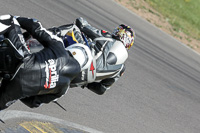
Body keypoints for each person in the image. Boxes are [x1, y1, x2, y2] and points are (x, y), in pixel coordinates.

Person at [0, 15, 91, 110]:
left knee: (9, 20)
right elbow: (33, 103)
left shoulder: (60, 47)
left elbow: (36, 26)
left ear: (73, 49)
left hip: (22, 60)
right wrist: (21, 91)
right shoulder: (63, 90)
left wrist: (17, 19)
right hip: (17, 88)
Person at [66, 17, 136, 95]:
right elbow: (101, 89)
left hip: (81, 62)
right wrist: (86, 83)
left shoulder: (106, 36)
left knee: (72, 29)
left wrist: (81, 19)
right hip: (83, 79)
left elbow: (83, 26)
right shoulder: (121, 69)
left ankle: (52, 37)